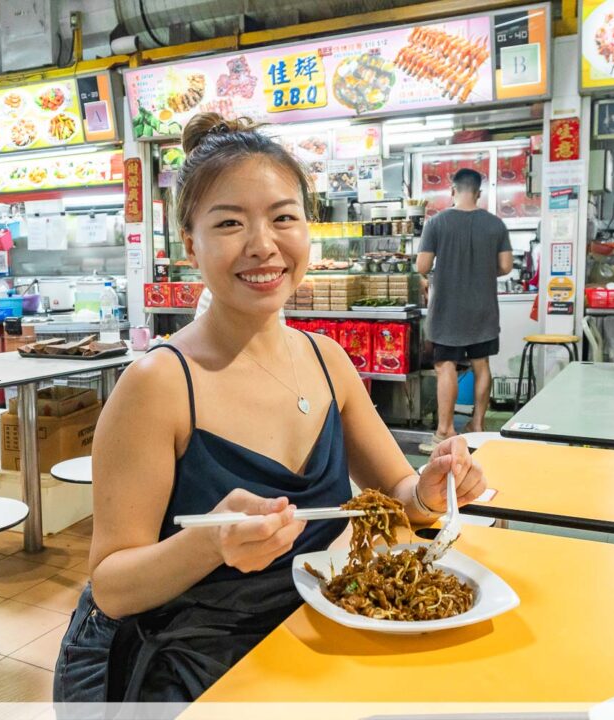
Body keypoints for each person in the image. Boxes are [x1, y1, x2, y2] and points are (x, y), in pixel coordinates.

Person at [53, 113, 487, 704]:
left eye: (284, 218)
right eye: (229, 223)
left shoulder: (328, 360)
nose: (263, 245)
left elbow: (401, 495)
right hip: (182, 665)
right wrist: (209, 543)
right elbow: (111, 585)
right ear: (189, 244)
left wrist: (435, 490)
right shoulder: (158, 384)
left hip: (302, 644)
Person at [415, 168, 513, 453]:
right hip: (483, 309)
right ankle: (478, 424)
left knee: (445, 367)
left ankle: (445, 430)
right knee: (481, 365)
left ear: (452, 190)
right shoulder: (495, 224)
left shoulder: (437, 223)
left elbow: (422, 266)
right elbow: (505, 266)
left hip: (447, 309)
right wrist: (482, 271)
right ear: (479, 193)